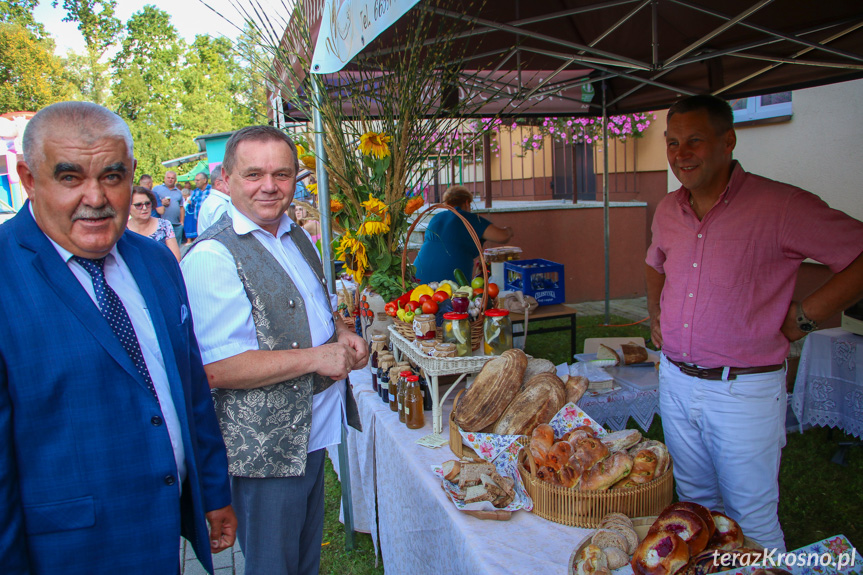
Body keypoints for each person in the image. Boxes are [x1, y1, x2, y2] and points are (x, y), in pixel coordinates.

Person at [0, 101, 236, 574]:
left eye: (112, 176)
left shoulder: (155, 260)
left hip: (163, 534)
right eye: (69, 178)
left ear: (132, 175)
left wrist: (212, 490)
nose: (96, 197)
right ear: (27, 178)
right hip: (65, 553)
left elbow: (189, 388)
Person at [646, 94, 863, 551]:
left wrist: (807, 315)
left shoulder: (781, 204)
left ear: (728, 141)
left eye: (694, 141)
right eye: (672, 143)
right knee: (696, 511)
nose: (680, 153)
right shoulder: (669, 208)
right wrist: (654, 314)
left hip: (742, 390)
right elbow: (656, 261)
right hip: (678, 383)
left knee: (752, 522)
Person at [181, 125, 367, 575]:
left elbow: (314, 307)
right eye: (254, 175)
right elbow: (216, 368)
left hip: (311, 429)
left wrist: (341, 333)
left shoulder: (294, 234)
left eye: (282, 175)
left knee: (302, 564)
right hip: (267, 449)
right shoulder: (213, 256)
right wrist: (316, 358)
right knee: (273, 566)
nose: (270, 186)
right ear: (225, 180)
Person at [412, 185, 513, 283]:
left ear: (447, 204)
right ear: (467, 202)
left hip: (418, 278)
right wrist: (509, 230)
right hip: (449, 285)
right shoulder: (469, 219)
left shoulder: (436, 218)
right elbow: (502, 236)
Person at [127, 186, 182, 261]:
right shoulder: (122, 230)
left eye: (148, 203)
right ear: (128, 207)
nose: (145, 208)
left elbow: (176, 258)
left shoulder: (164, 225)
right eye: (138, 205)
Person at [197, 163, 231, 235]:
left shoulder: (215, 200)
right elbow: (223, 236)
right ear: (218, 184)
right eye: (228, 180)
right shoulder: (220, 204)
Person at [153, 170, 184, 242]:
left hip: (176, 225)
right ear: (164, 178)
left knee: (176, 246)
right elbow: (151, 203)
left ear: (175, 180)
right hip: (161, 224)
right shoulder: (157, 189)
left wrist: (182, 222)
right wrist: (161, 203)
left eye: (172, 178)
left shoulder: (178, 192)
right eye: (168, 177)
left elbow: (181, 207)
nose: (170, 180)